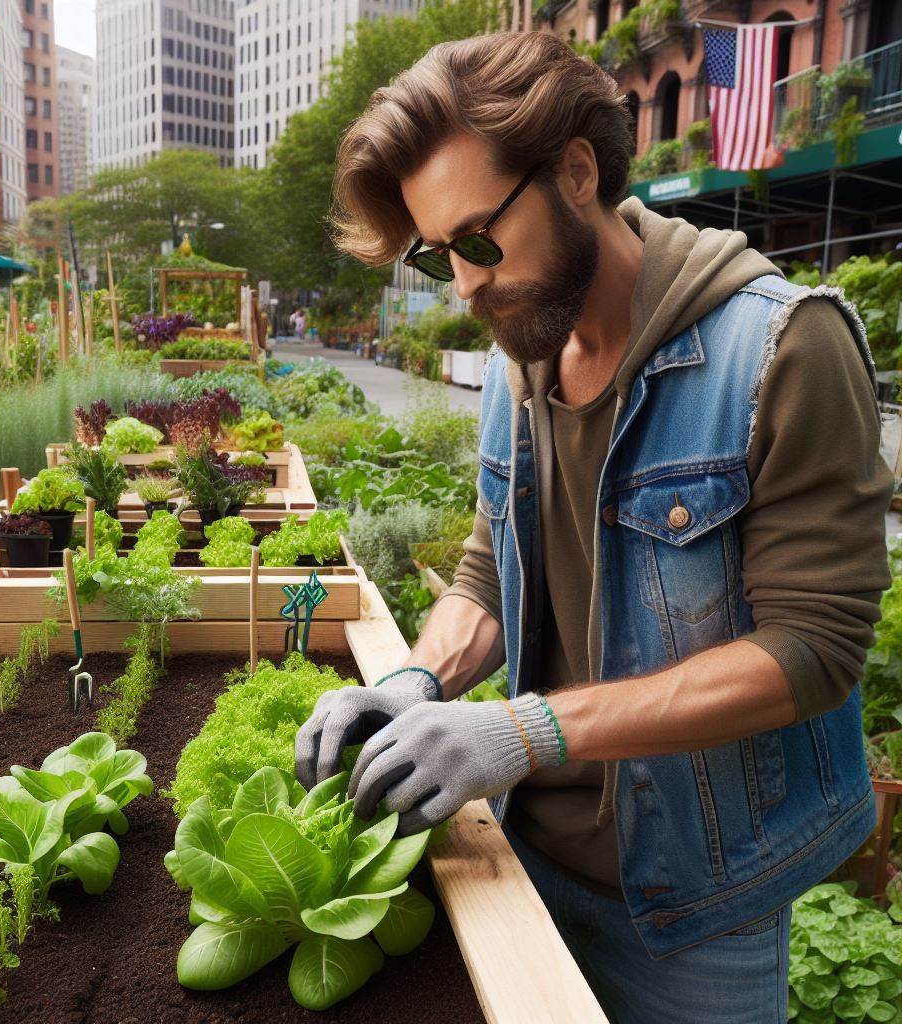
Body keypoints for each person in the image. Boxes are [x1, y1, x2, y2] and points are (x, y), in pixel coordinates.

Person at [294, 31, 893, 1024]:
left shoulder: (783, 347)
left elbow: (812, 651)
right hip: (519, 862)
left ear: (575, 171)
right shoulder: (519, 355)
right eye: (435, 255)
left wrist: (525, 728)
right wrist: (415, 681)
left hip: (696, 910)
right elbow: (494, 569)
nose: (464, 285)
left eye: (478, 241)